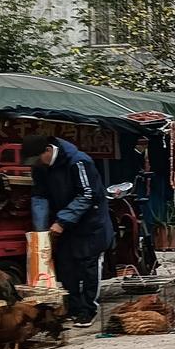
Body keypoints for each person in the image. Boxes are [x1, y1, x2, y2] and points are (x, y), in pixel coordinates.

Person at [21, 131, 114, 328]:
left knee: (88, 265)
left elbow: (87, 195)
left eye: (38, 158)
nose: (36, 163)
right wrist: (41, 229)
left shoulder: (78, 161)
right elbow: (39, 195)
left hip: (90, 223)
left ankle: (89, 309)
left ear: (48, 150)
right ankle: (73, 307)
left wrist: (62, 221)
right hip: (64, 224)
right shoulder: (40, 167)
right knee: (65, 266)